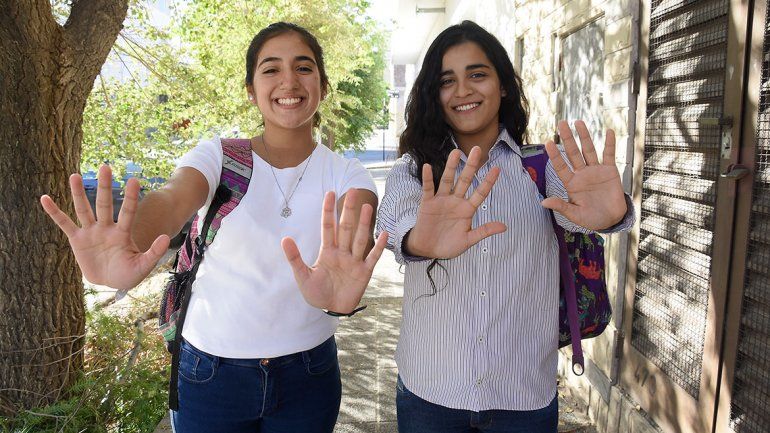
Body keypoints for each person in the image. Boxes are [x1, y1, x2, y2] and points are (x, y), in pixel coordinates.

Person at [40, 22, 387, 433]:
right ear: (251, 90)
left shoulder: (348, 174)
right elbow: (173, 197)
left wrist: (344, 283)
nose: (289, 81)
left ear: (323, 86)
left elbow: (355, 223)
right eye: (271, 69)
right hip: (210, 373)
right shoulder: (220, 157)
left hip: (308, 373)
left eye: (304, 67)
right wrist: (130, 241)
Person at [376, 20, 635, 433]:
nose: (462, 90)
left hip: (524, 395)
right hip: (430, 391)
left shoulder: (543, 168)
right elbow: (397, 223)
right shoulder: (414, 171)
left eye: (477, 74)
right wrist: (420, 240)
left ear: (503, 87)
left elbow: (580, 209)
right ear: (433, 95)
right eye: (447, 81)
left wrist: (610, 216)